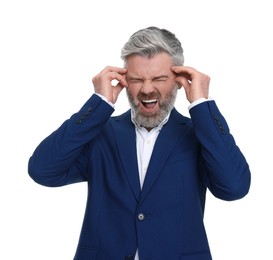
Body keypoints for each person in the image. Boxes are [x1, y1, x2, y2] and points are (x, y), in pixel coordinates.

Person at [28, 26, 251, 260]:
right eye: (136, 79)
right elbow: (42, 170)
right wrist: (98, 103)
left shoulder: (199, 136)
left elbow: (234, 188)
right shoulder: (100, 134)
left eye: (158, 78)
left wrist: (202, 104)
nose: (146, 89)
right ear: (124, 80)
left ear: (178, 80)